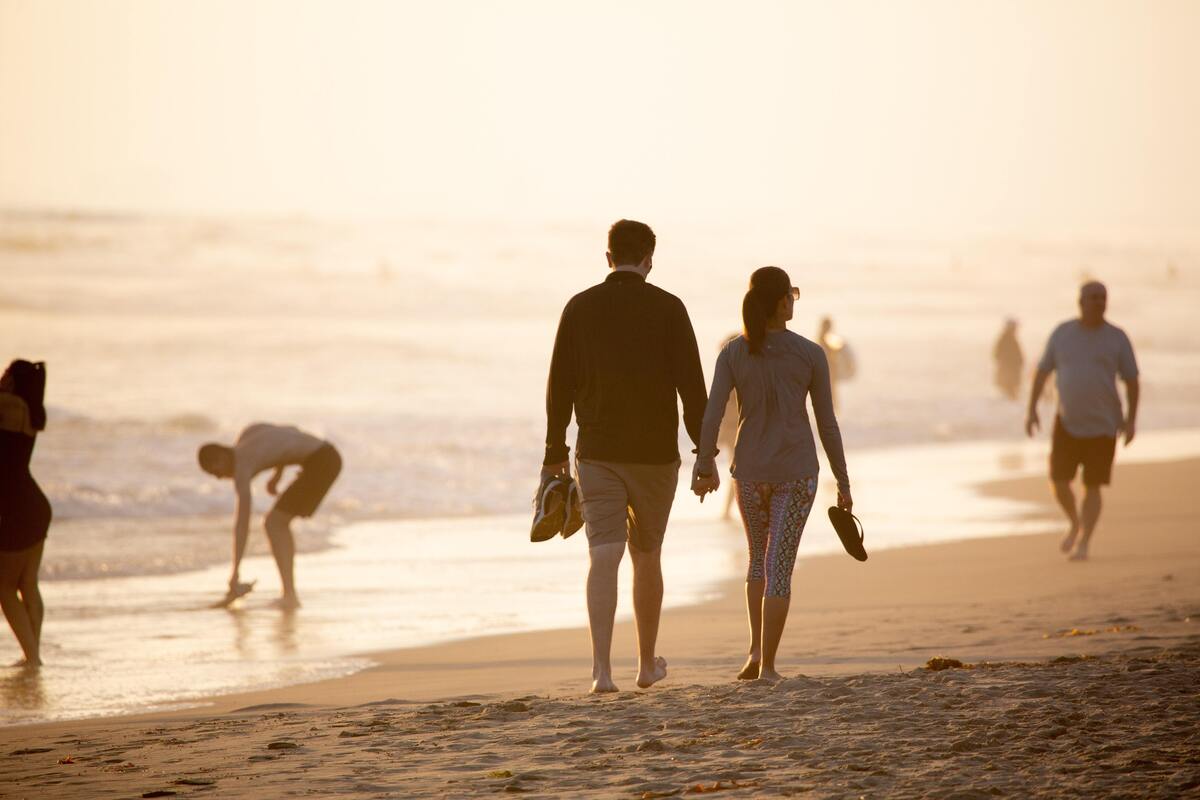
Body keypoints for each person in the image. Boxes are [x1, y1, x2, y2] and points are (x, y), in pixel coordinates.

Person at [542, 219, 707, 693]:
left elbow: (559, 388)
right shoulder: (670, 308)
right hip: (655, 456)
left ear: (608, 256)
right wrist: (704, 451)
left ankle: (601, 672)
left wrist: (555, 453)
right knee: (647, 555)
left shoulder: (579, 307)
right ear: (649, 259)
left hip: (597, 454)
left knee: (604, 554)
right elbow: (692, 389)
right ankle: (645, 665)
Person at [693, 268, 852, 683]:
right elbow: (827, 423)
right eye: (792, 295)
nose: (794, 302)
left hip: (747, 472)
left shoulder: (733, 352)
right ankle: (767, 668)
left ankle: (754, 653)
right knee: (778, 567)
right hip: (796, 473)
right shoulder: (810, 354)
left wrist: (704, 462)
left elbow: (711, 414)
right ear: (781, 302)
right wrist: (843, 481)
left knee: (757, 563)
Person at [1025, 281, 1139, 562]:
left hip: (1103, 425)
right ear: (1081, 302)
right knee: (1059, 481)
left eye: (1103, 297)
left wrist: (1130, 420)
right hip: (1067, 421)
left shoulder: (1117, 337)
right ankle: (1075, 522)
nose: (1099, 302)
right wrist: (1031, 410)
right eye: (1093, 298)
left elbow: (1132, 381)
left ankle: (1085, 541)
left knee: (1093, 485)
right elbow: (1041, 373)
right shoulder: (1063, 334)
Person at [198, 423, 342, 608]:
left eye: (215, 471)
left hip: (321, 463)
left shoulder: (243, 468)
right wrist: (277, 475)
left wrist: (235, 572)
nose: (219, 477)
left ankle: (290, 596)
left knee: (274, 523)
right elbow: (290, 431)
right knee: (277, 522)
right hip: (326, 453)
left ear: (221, 457)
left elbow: (242, 524)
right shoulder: (248, 432)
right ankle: (289, 593)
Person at [0, 360, 51, 667]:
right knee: (27, 583)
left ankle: (32, 657)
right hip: (33, 506)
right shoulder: (27, 409)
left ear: (14, 380)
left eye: (6, 374)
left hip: (18, 509)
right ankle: (32, 654)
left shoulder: (10, 405)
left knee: (4, 588)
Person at [816, 316, 854, 410]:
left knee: (829, 392)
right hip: (829, 369)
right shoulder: (826, 337)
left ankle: (833, 410)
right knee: (831, 392)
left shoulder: (820, 337)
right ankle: (834, 411)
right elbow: (837, 346)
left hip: (826, 369)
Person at [993, 318, 1025, 400]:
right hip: (1009, 369)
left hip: (1011, 369)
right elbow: (997, 354)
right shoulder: (1005, 339)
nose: (1016, 330)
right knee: (1009, 389)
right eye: (1014, 328)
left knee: (1011, 390)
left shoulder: (1009, 338)